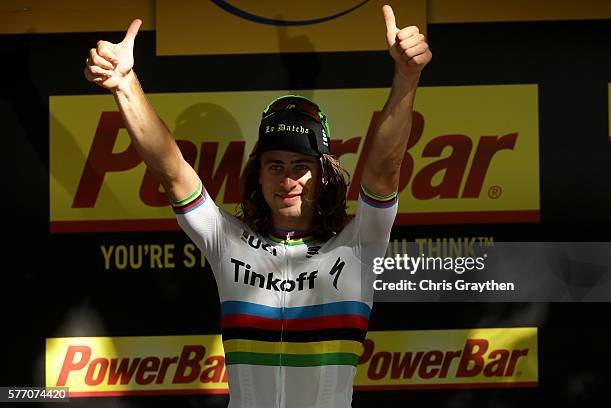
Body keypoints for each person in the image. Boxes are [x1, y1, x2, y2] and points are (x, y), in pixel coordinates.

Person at [84, 4, 431, 407]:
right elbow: (171, 170)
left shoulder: (358, 248)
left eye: (302, 167)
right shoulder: (227, 242)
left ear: (323, 176)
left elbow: (384, 172)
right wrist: (124, 84)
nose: (287, 179)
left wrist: (408, 77)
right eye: (275, 166)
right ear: (258, 176)